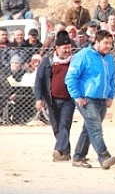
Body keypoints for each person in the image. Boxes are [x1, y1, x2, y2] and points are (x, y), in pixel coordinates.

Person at [65, 30, 115, 169]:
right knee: (96, 128)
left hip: (102, 99)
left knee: (89, 129)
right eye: (105, 43)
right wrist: (77, 96)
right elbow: (71, 78)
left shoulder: (109, 58)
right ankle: (104, 156)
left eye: (110, 43)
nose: (108, 46)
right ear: (97, 42)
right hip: (87, 99)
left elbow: (112, 78)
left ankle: (78, 157)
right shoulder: (83, 55)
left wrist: (110, 95)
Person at [33, 31, 75, 162]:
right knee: (56, 127)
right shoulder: (48, 61)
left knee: (64, 125)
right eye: (65, 48)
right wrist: (39, 98)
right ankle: (65, 152)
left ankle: (58, 150)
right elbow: (39, 80)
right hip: (51, 100)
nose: (67, 50)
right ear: (57, 48)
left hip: (69, 100)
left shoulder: (74, 61)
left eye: (69, 47)